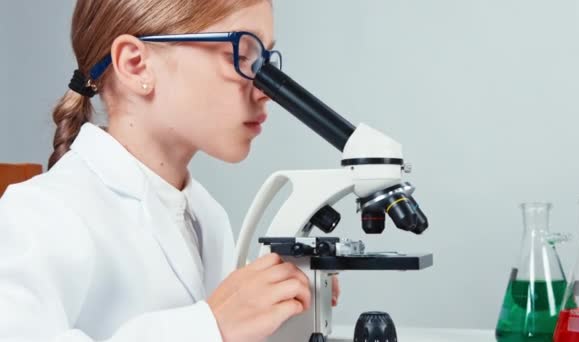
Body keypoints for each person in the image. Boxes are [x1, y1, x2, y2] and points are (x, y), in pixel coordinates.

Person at [0, 1, 339, 341]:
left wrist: (279, 309)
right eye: (240, 55)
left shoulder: (206, 217)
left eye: (265, 61)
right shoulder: (38, 214)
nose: (266, 90)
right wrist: (210, 327)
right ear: (136, 65)